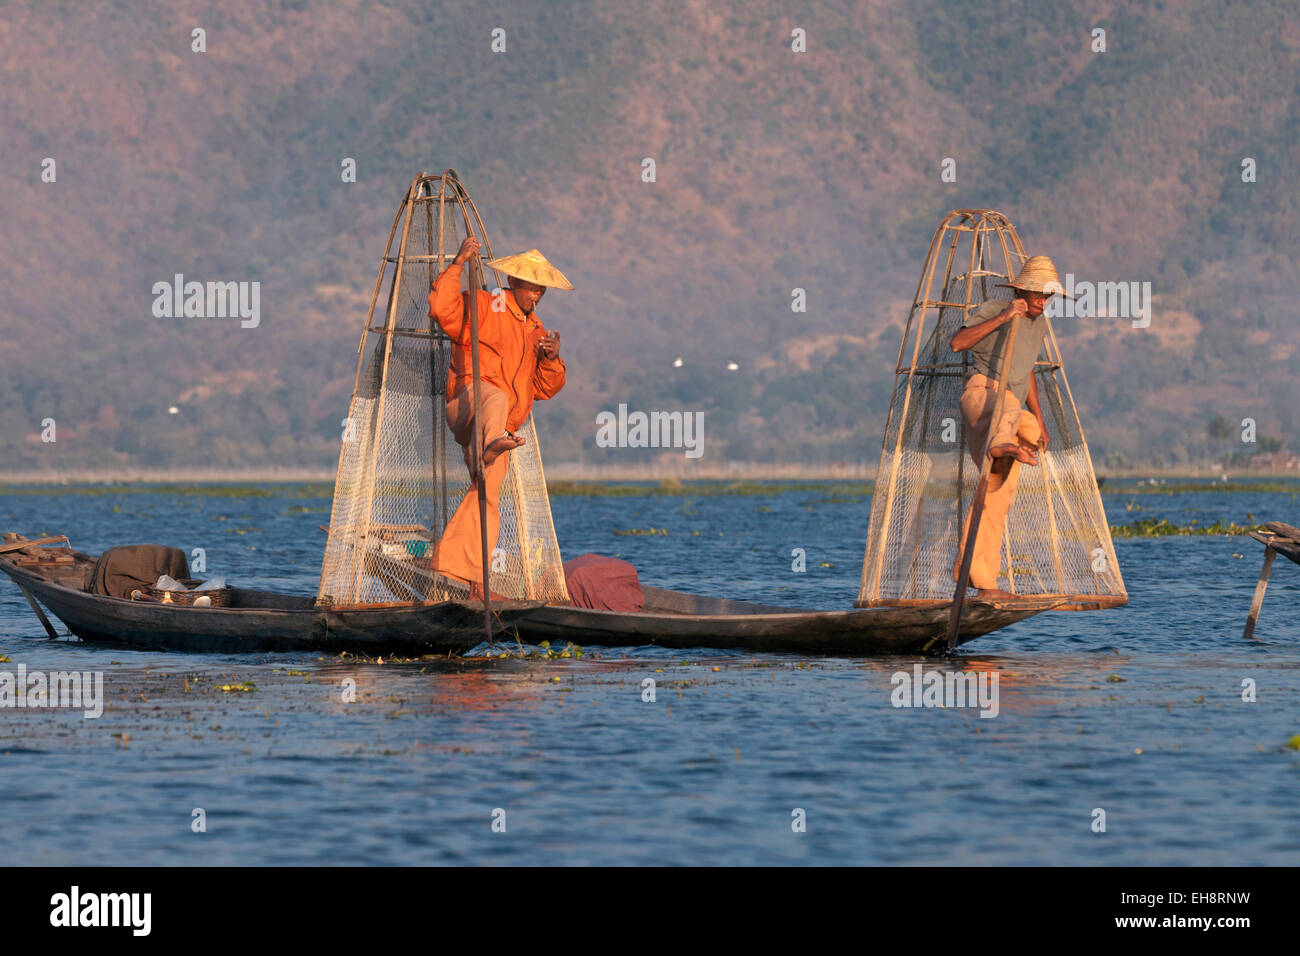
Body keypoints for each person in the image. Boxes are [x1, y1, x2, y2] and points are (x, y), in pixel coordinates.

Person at [427, 236, 572, 597]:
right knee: (495, 395)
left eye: (541, 290)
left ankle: (460, 570)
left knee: (487, 496)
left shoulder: (537, 331)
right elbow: (442, 310)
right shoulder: (485, 304)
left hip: (498, 428)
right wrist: (459, 262)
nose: (535, 295)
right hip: (468, 406)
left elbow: (544, 388)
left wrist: (551, 359)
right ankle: (490, 444)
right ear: (512, 283)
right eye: (530, 287)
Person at [949, 255, 1071, 601]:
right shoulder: (993, 309)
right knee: (1005, 410)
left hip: (1013, 411)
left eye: (1047, 296)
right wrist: (1005, 316)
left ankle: (981, 581)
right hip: (983, 397)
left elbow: (1025, 370)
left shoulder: (1040, 324)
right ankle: (1002, 445)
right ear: (1021, 289)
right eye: (1037, 294)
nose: (1042, 301)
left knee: (996, 498)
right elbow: (958, 343)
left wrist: (1041, 420)